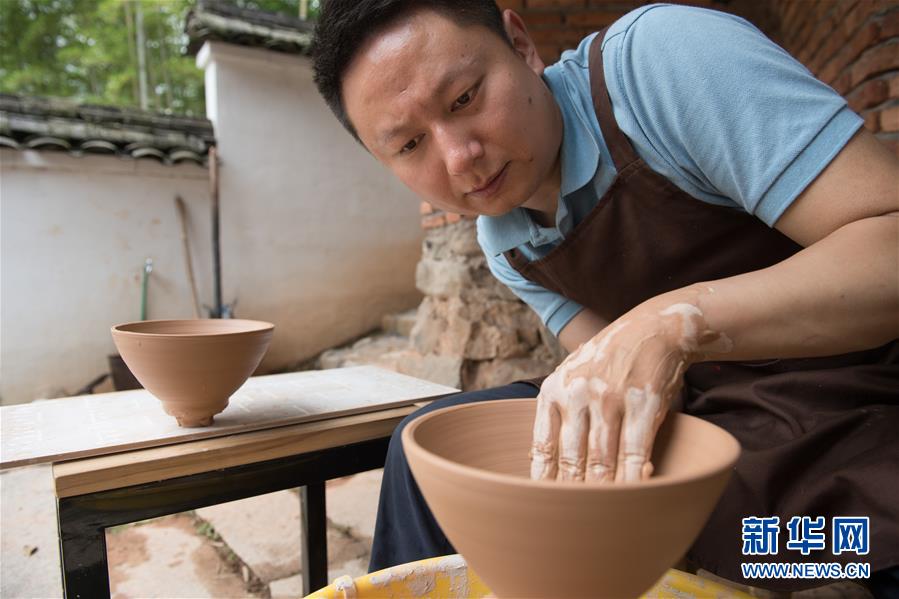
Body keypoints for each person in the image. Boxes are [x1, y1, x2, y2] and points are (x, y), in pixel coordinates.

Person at [311, 0, 899, 594]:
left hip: (863, 409)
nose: (461, 157)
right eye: (411, 145)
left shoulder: (659, 65)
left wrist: (674, 324)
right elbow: (616, 381)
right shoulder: (505, 239)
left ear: (520, 44)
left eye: (464, 99)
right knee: (427, 455)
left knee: (811, 557)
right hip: (722, 422)